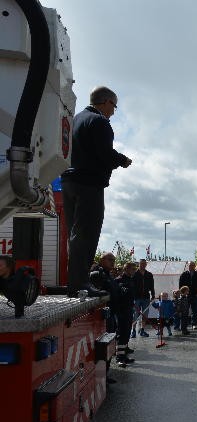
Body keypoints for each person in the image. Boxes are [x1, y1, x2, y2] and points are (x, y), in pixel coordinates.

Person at [62, 86, 132, 298]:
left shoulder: (75, 119)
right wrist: (122, 160)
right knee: (87, 234)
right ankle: (80, 284)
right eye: (114, 106)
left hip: (68, 180)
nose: (114, 111)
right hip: (88, 184)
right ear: (107, 102)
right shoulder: (100, 121)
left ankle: (74, 282)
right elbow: (104, 154)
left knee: (75, 235)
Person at [113, 261, 137, 367]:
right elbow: (116, 296)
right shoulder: (118, 280)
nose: (134, 271)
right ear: (126, 269)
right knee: (121, 334)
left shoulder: (131, 280)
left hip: (129, 309)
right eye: (132, 269)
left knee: (127, 333)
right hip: (121, 311)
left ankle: (124, 356)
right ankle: (119, 357)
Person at [131, 259, 155, 338]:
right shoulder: (134, 274)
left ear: (146, 264)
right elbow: (131, 285)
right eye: (141, 264)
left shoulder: (149, 274)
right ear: (139, 264)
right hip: (136, 297)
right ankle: (133, 331)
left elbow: (152, 286)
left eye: (144, 264)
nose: (143, 265)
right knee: (135, 315)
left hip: (146, 297)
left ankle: (142, 330)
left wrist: (153, 296)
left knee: (145, 315)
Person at [178, 262, 197, 329]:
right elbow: (180, 285)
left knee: (195, 310)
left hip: (195, 295)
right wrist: (182, 293)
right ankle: (184, 325)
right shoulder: (184, 274)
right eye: (190, 265)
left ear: (194, 266)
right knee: (185, 311)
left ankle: (194, 324)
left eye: (192, 265)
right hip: (186, 296)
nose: (191, 267)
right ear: (188, 266)